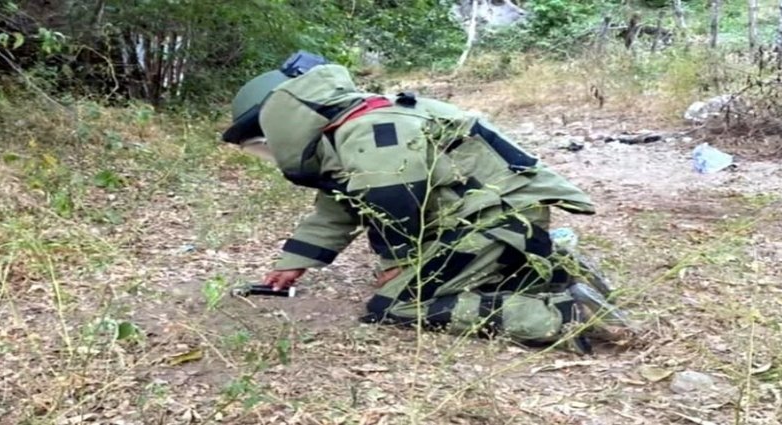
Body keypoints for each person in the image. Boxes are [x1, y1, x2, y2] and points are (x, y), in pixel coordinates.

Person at [222, 51, 631, 353]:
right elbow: (340, 206)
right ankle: (556, 269)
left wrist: (397, 261)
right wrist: (294, 262)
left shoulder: (368, 129)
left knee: (395, 304)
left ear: (285, 116)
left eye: (263, 142)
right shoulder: (368, 119)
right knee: (444, 281)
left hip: (493, 223)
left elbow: (392, 197)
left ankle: (566, 314)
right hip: (504, 220)